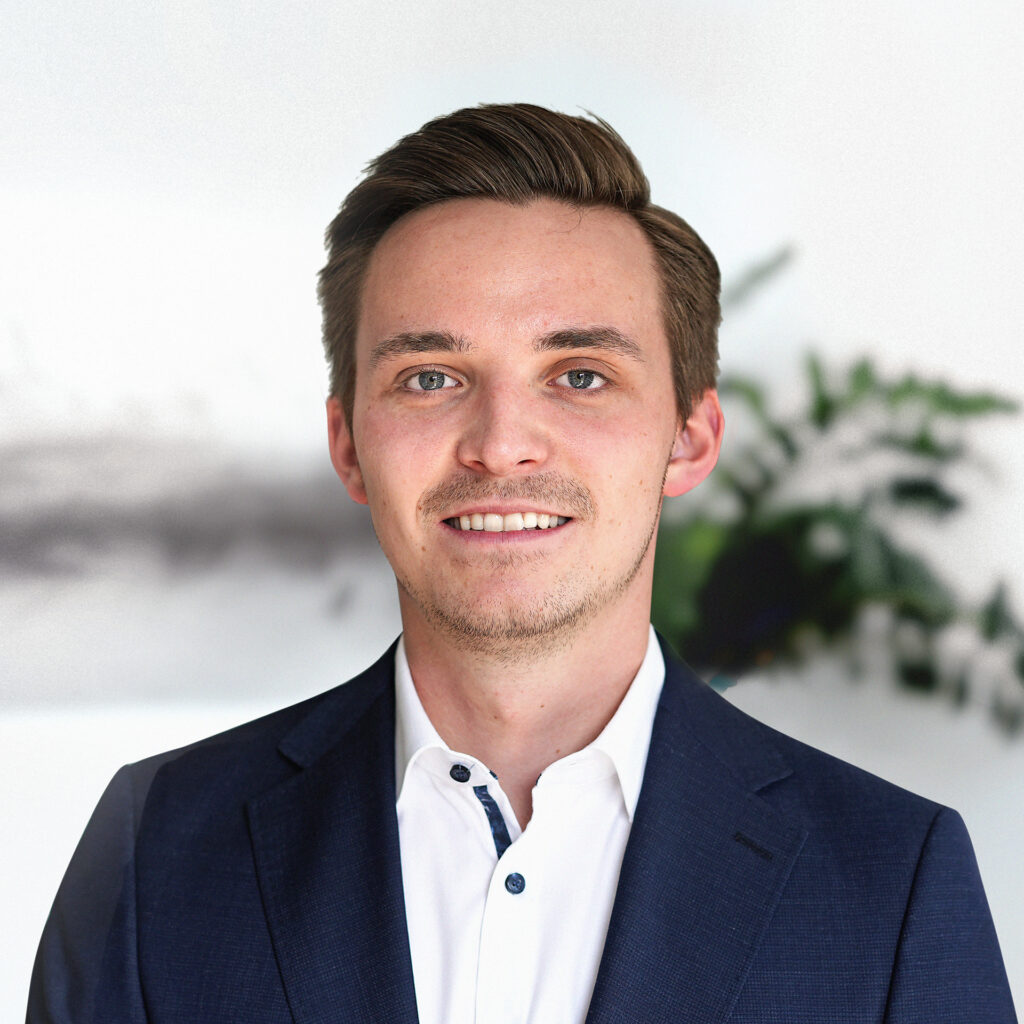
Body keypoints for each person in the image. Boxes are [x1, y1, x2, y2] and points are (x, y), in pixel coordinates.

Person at [28, 103, 1015, 1024]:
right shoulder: (156, 852)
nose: (501, 445)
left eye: (579, 375)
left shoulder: (891, 882)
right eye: (430, 377)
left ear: (689, 437)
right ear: (348, 445)